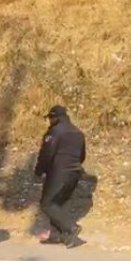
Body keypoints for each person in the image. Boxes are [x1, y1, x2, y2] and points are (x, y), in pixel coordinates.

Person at [34, 105, 87, 249]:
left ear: (55, 118)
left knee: (46, 204)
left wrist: (39, 170)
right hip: (75, 172)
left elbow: (47, 154)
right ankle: (56, 236)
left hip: (59, 172)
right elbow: (82, 156)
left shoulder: (55, 132)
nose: (49, 121)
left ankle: (71, 228)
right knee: (58, 203)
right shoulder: (78, 133)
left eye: (50, 118)